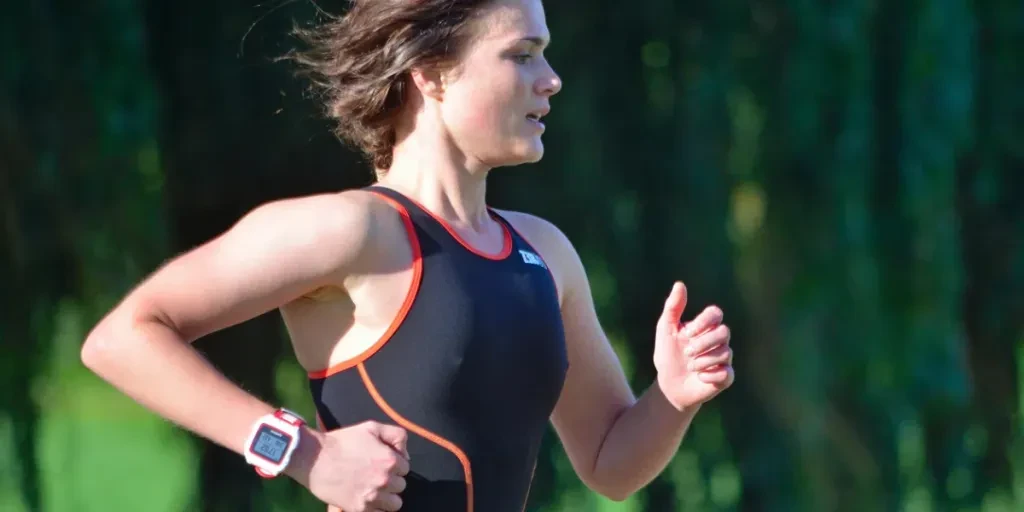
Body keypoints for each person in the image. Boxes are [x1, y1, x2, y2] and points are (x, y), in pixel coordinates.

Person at [80, 0, 736, 510]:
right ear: (431, 71)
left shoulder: (547, 253)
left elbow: (609, 463)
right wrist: (300, 451)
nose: (553, 80)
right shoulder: (351, 231)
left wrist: (673, 398)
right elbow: (122, 338)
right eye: (523, 54)